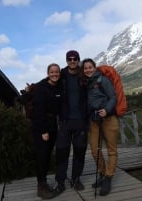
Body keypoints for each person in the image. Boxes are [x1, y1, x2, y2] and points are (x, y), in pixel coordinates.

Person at [23, 63, 62, 199]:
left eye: (57, 72)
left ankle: (44, 183)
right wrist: (44, 131)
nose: (55, 74)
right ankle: (41, 187)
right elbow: (39, 111)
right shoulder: (41, 88)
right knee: (42, 156)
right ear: (47, 73)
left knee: (46, 156)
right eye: (52, 72)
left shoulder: (57, 86)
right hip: (42, 128)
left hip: (52, 127)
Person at [81, 58, 119, 196]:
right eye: (85, 68)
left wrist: (107, 110)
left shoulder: (103, 80)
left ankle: (108, 178)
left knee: (111, 150)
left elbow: (113, 97)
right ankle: (102, 174)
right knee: (94, 150)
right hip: (94, 120)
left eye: (90, 67)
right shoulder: (85, 84)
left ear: (95, 67)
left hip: (108, 118)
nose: (88, 70)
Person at [54, 50, 88, 195]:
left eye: (75, 59)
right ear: (66, 60)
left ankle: (76, 178)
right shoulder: (61, 75)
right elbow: (48, 82)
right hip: (65, 121)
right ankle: (60, 181)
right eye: (70, 59)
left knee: (80, 152)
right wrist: (30, 90)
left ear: (78, 60)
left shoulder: (84, 75)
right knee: (62, 152)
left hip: (81, 120)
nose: (72, 61)